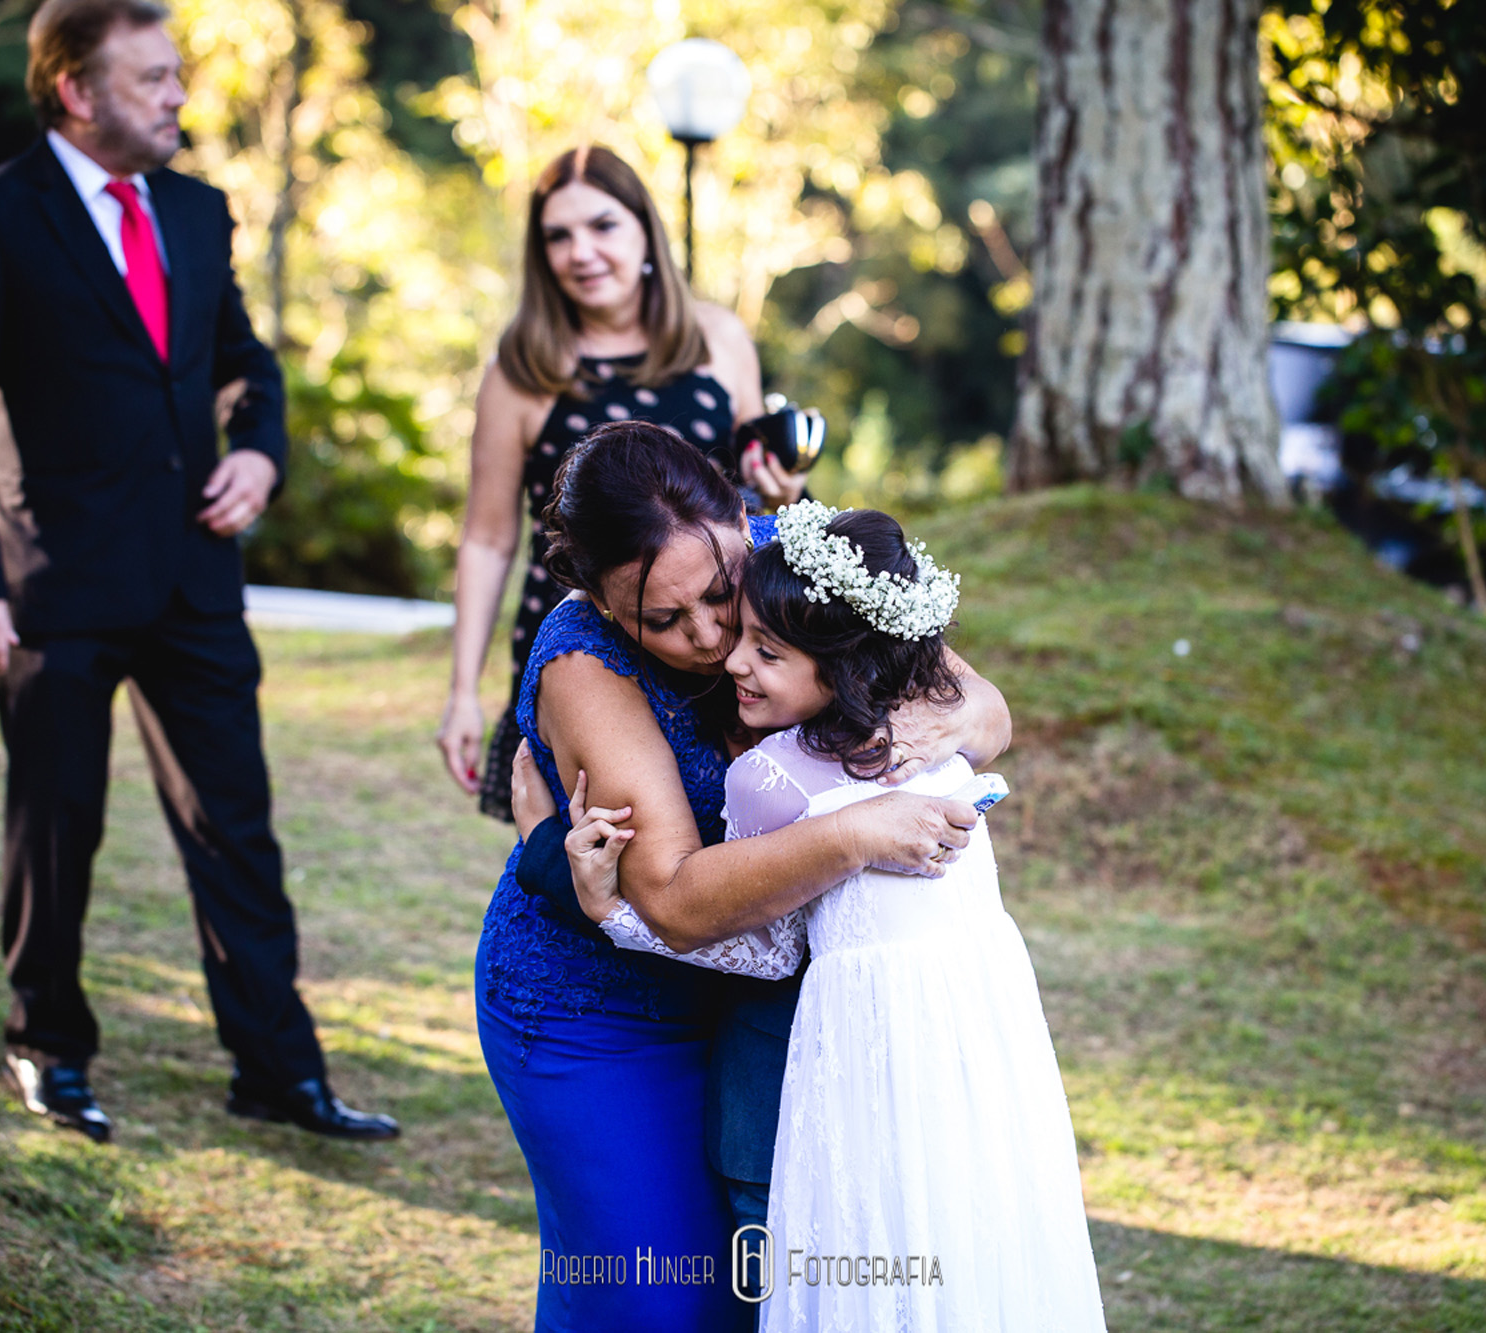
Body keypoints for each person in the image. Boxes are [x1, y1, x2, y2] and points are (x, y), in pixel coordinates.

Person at [0, 0, 395, 1143]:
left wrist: (261, 453)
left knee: (239, 831)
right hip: (48, 587)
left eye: (176, 75)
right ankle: (47, 1046)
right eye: (153, 78)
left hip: (193, 580)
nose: (179, 96)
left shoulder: (196, 210)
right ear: (75, 90)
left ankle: (278, 1071)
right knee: (56, 825)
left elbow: (241, 362)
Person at [481, 422, 1008, 1331]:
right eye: (662, 619)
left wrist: (940, 731)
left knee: (742, 1298)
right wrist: (856, 830)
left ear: (741, 517)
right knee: (652, 1298)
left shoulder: (796, 559)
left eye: (722, 592)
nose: (711, 635)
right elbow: (679, 901)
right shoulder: (584, 664)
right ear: (606, 608)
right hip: (598, 1013)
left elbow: (983, 706)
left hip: (758, 1008)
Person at [558, 503, 1109, 1331]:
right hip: (925, 1034)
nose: (731, 658)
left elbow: (770, 954)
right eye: (742, 634)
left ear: (846, 663)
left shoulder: (891, 740)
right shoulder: (821, 762)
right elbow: (768, 943)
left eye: (767, 651)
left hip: (955, 1037)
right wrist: (616, 910)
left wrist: (614, 915)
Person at [438, 144, 811, 823]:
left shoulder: (718, 338)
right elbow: (489, 538)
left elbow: (754, 500)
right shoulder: (522, 367)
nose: (581, 251)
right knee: (607, 850)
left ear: (644, 229)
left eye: (602, 225)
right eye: (558, 235)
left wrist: (784, 488)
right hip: (594, 643)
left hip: (720, 630)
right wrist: (463, 689)